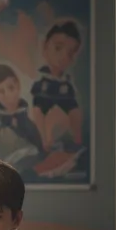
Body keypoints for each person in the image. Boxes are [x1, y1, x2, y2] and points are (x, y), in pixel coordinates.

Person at [29, 20, 84, 152]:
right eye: (58, 48)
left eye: (70, 53)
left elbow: (71, 99)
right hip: (44, 98)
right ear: (45, 47)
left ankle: (77, 138)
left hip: (64, 98)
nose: (63, 57)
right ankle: (44, 140)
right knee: (37, 112)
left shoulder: (66, 80)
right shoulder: (42, 75)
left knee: (75, 113)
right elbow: (35, 95)